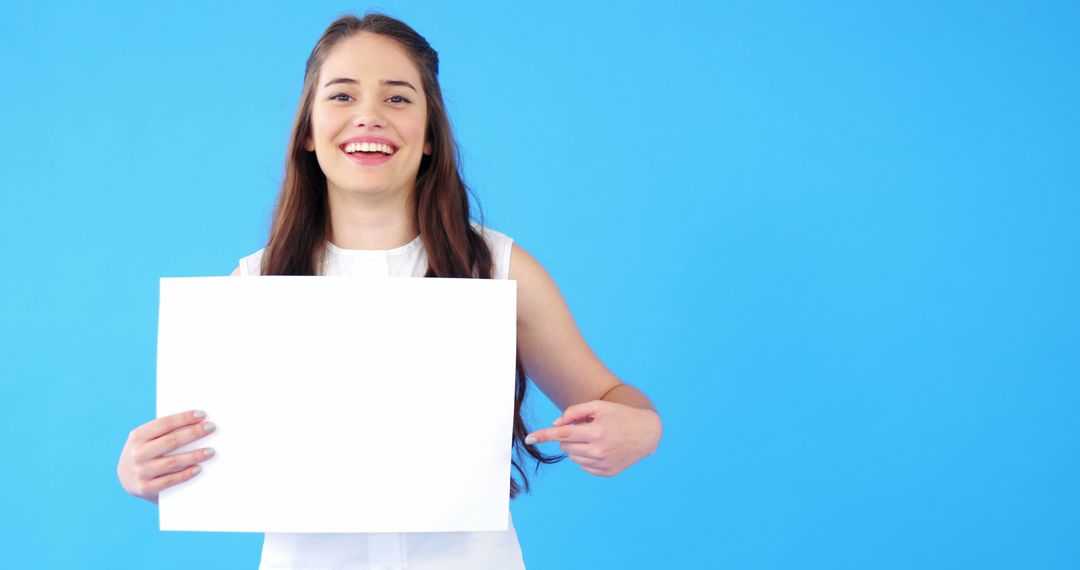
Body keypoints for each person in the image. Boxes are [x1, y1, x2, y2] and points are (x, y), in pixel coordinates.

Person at [117, 12, 662, 569]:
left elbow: (616, 398)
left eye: (398, 99)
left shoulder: (499, 269)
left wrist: (639, 429)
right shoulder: (255, 286)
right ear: (307, 130)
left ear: (430, 135)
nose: (369, 117)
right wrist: (146, 470)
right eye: (342, 96)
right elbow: (205, 454)